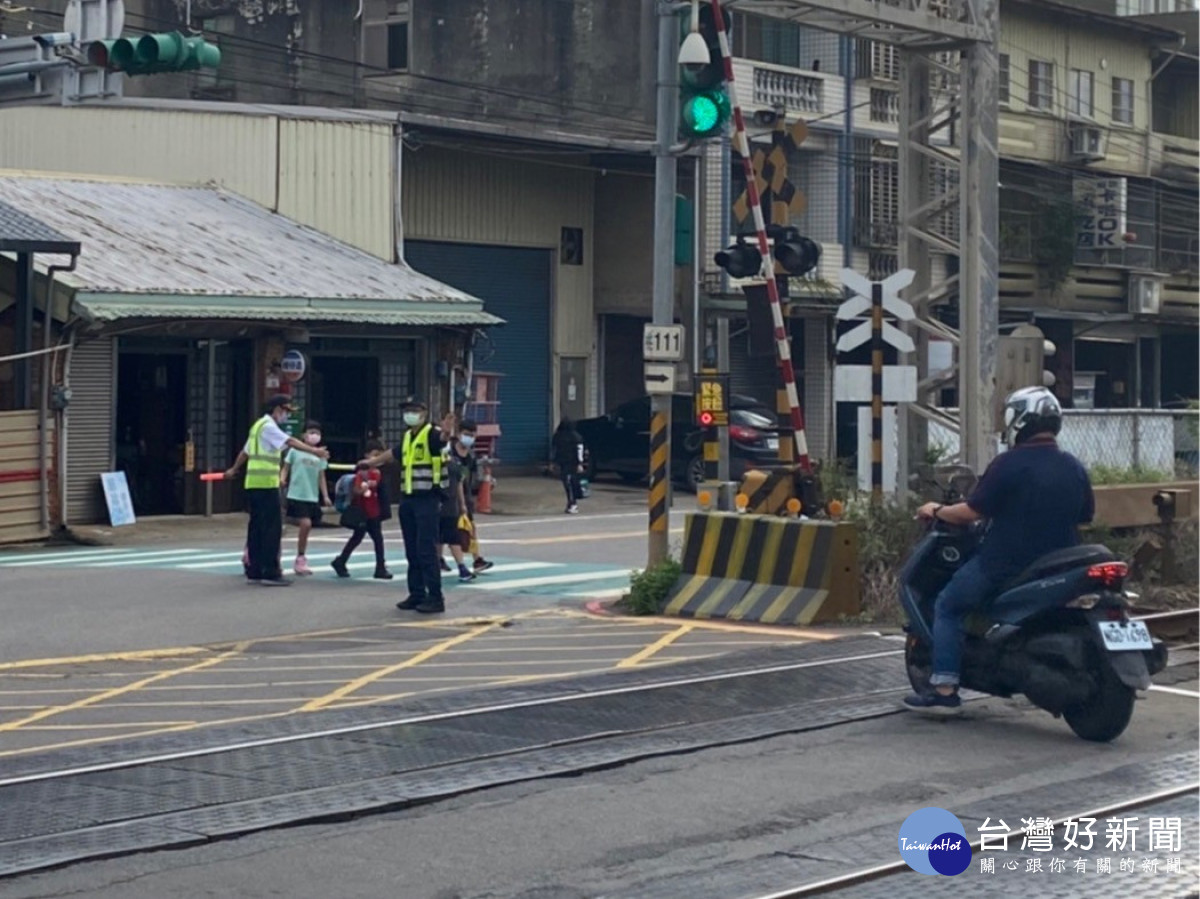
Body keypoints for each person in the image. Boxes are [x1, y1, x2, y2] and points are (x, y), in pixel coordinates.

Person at [903, 386, 1095, 712]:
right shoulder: (1073, 466)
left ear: (1018, 421)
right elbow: (1085, 516)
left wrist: (936, 510)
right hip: (1062, 563)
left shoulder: (1009, 464)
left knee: (948, 605)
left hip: (1006, 563)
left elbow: (970, 512)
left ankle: (945, 690)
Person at [225, 395, 329, 587]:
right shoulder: (269, 427)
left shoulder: (257, 426)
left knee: (256, 528)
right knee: (271, 529)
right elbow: (290, 441)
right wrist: (315, 451)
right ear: (276, 409)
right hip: (266, 484)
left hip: (253, 483)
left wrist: (234, 468)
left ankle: (254, 570)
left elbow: (246, 451)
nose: (286, 416)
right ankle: (270, 571)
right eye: (285, 411)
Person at [361, 400, 453, 614]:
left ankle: (435, 597)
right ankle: (417, 594)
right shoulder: (408, 437)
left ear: (424, 413)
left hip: (428, 499)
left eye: (414, 411)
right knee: (412, 550)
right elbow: (393, 454)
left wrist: (448, 433)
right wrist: (370, 463)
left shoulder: (431, 433)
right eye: (407, 411)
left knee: (425, 550)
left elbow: (442, 440)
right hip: (409, 500)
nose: (410, 414)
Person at [437, 417, 495, 581]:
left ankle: (476, 559)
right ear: (459, 433)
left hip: (464, 496)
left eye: (472, 435)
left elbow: (467, 478)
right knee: (445, 530)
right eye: (467, 434)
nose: (469, 437)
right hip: (449, 497)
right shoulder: (449, 451)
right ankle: (443, 560)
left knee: (469, 528)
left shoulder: (470, 456)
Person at [331, 441, 394, 581]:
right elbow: (358, 490)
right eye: (375, 455)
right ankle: (379, 568)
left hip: (372, 509)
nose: (378, 458)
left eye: (380, 455)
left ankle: (341, 561)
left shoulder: (378, 471)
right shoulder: (364, 472)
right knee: (376, 539)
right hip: (366, 510)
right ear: (366, 455)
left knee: (361, 538)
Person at [281, 420, 331, 576]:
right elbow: (286, 468)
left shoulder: (320, 455)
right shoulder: (295, 451)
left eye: (317, 433)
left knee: (306, 525)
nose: (314, 435)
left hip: (312, 495)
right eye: (311, 432)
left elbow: (321, 476)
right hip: (296, 493)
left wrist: (326, 495)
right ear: (303, 435)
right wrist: (282, 479)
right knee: (306, 523)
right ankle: (299, 558)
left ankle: (300, 557)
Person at [552, 418, 585, 514]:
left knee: (567, 483)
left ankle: (572, 503)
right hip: (573, 463)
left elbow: (554, 450)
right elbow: (580, 450)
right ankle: (573, 503)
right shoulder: (576, 437)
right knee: (572, 482)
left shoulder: (557, 436)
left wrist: (553, 462)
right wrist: (580, 463)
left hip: (563, 462)